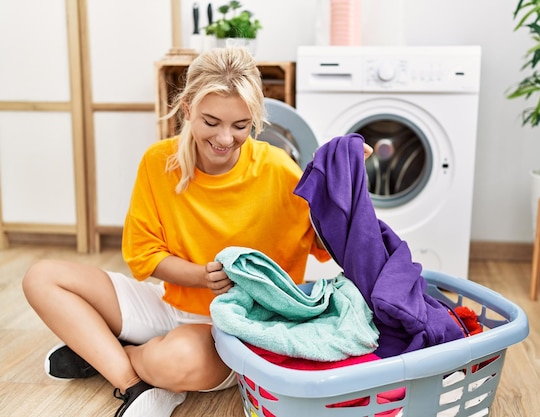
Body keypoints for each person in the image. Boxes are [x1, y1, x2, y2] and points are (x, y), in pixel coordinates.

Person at [22, 47, 372, 417]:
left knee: (175, 360)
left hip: (234, 326)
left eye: (240, 125)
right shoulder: (159, 162)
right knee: (42, 277)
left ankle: (106, 354)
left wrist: (349, 186)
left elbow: (332, 244)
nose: (225, 138)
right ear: (187, 108)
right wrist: (201, 276)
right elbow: (145, 256)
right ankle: (132, 382)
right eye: (211, 122)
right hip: (171, 302)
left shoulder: (278, 170)